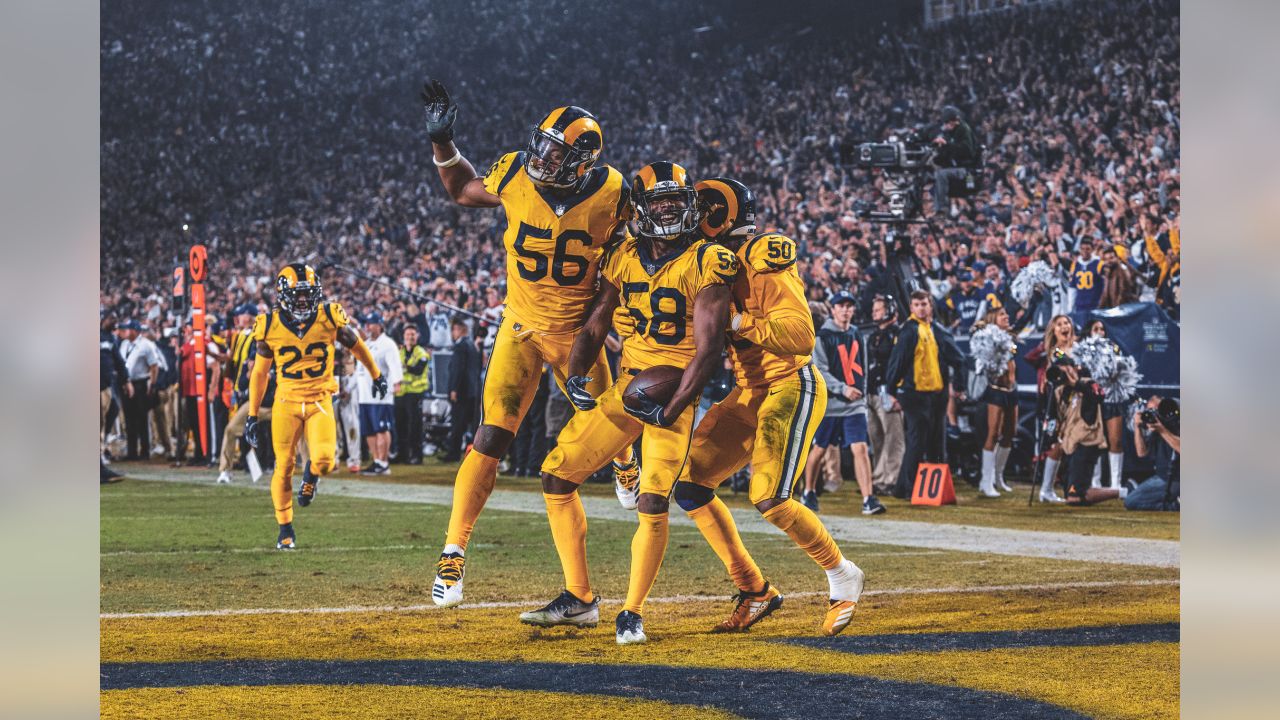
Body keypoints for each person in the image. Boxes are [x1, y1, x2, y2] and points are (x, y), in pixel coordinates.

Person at [420, 81, 640, 607]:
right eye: (541, 144)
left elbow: (623, 267)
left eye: (556, 151)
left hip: (576, 337)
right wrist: (442, 143)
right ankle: (453, 554)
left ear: (582, 161)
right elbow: (462, 190)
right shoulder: (517, 171)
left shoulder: (613, 192)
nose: (541, 156)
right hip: (519, 329)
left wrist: (604, 322)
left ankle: (625, 462)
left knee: (608, 429)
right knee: (490, 438)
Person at [519, 161, 735, 645]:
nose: (667, 210)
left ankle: (632, 611)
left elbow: (709, 350)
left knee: (653, 498)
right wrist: (576, 373)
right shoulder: (622, 255)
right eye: (658, 202)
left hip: (675, 389)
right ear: (640, 208)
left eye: (675, 201)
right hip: (629, 388)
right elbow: (596, 322)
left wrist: (675, 409)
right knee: (557, 474)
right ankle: (579, 598)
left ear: (689, 205)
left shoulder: (709, 260)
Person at [668, 177, 866, 637]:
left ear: (720, 215)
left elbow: (800, 335)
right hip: (746, 391)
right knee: (691, 485)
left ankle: (842, 573)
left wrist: (737, 320)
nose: (688, 220)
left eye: (697, 211)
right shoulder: (707, 262)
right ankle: (755, 589)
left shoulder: (762, 254)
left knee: (769, 496)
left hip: (789, 384)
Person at [243, 263, 388, 549]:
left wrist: (376, 374)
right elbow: (259, 373)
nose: (302, 300)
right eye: (296, 295)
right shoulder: (268, 325)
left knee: (325, 460)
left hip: (320, 398)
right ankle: (285, 528)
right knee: (283, 466)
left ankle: (311, 477)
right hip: (286, 401)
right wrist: (251, 415)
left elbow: (356, 345)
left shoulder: (330, 316)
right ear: (282, 295)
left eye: (307, 294)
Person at [804, 291, 884, 516]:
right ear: (833, 309)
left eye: (850, 306)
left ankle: (868, 498)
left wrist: (863, 395)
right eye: (842, 306)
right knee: (819, 450)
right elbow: (820, 370)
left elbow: (863, 367)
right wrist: (842, 389)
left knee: (860, 448)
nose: (846, 310)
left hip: (855, 404)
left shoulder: (857, 334)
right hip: (830, 405)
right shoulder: (823, 336)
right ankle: (808, 491)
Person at [885, 291, 965, 499]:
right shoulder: (908, 331)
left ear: (931, 306)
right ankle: (910, 488)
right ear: (911, 307)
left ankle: (914, 488)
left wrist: (959, 384)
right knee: (916, 441)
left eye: (924, 304)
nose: (921, 308)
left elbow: (959, 359)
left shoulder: (938, 330)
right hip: (913, 394)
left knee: (937, 442)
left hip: (937, 396)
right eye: (917, 304)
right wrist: (891, 390)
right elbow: (898, 361)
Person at [1025, 314, 1077, 502]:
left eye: (1066, 323)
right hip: (1054, 403)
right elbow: (1031, 357)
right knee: (1055, 444)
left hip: (1075, 402)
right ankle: (1046, 489)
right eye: (1059, 325)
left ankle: (1079, 485)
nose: (1064, 327)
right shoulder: (1052, 352)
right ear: (1053, 331)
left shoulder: (1078, 349)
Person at [971, 305, 1018, 497]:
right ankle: (986, 480)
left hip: (1011, 390)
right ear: (992, 319)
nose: (1006, 316)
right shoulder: (987, 338)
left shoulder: (1009, 337)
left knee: (1010, 433)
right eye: (1002, 314)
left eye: (1006, 313)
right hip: (995, 391)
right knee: (993, 434)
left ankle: (999, 476)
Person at [865, 295, 904, 495]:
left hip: (888, 393)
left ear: (889, 310)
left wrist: (897, 393)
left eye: (879, 309)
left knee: (893, 438)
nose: (875, 313)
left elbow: (902, 366)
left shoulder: (898, 334)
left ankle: (891, 480)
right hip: (871, 393)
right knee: (877, 438)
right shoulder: (874, 335)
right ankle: (879, 479)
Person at [355, 312, 403, 475]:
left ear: (380, 325)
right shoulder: (367, 343)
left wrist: (397, 382)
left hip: (380, 395)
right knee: (369, 430)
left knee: (381, 429)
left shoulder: (388, 344)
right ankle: (376, 460)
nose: (367, 327)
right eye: (366, 324)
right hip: (364, 394)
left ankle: (383, 462)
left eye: (371, 323)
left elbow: (395, 365)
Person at [217, 304, 260, 483]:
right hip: (248, 393)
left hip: (270, 397)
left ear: (250, 317)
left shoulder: (258, 336)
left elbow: (252, 366)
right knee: (235, 429)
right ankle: (229, 468)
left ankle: (311, 470)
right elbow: (237, 364)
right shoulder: (240, 336)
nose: (238, 318)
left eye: (241, 315)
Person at [118, 319, 165, 460]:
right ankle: (131, 452)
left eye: (128, 329)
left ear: (135, 330)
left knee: (141, 418)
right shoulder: (124, 344)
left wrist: (152, 384)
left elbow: (154, 366)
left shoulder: (146, 345)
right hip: (127, 383)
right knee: (129, 418)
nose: (126, 331)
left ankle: (144, 451)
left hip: (141, 383)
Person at [442, 316, 481, 462]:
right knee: (470, 424)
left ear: (458, 330)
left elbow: (457, 370)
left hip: (461, 392)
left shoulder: (460, 346)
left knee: (457, 424)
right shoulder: (472, 345)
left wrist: (453, 389)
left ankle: (453, 453)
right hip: (472, 392)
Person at [931, 105, 980, 216]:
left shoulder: (964, 129)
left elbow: (967, 150)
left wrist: (947, 144)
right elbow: (949, 151)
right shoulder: (952, 132)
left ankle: (941, 207)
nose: (945, 126)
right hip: (955, 166)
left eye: (946, 123)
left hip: (966, 169)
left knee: (941, 174)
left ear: (953, 122)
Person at [396, 325, 430, 465]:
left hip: (416, 394)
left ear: (417, 337)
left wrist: (404, 367)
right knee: (400, 425)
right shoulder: (400, 352)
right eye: (408, 334)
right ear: (404, 336)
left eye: (413, 334)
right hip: (401, 393)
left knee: (415, 426)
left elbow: (418, 370)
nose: (410, 337)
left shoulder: (421, 353)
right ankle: (402, 454)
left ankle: (417, 455)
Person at [1068, 238, 1104, 313]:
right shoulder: (1075, 264)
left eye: (1087, 249)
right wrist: (1070, 307)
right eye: (1082, 249)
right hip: (1080, 306)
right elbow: (1072, 288)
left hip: (1095, 306)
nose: (1085, 251)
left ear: (1092, 250)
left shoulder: (1099, 264)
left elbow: (1104, 286)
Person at [944, 270, 983, 334]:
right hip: (963, 332)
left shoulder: (979, 293)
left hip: (979, 330)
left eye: (968, 280)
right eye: (964, 281)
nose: (967, 283)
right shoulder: (955, 297)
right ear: (960, 283)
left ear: (972, 281)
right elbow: (942, 306)